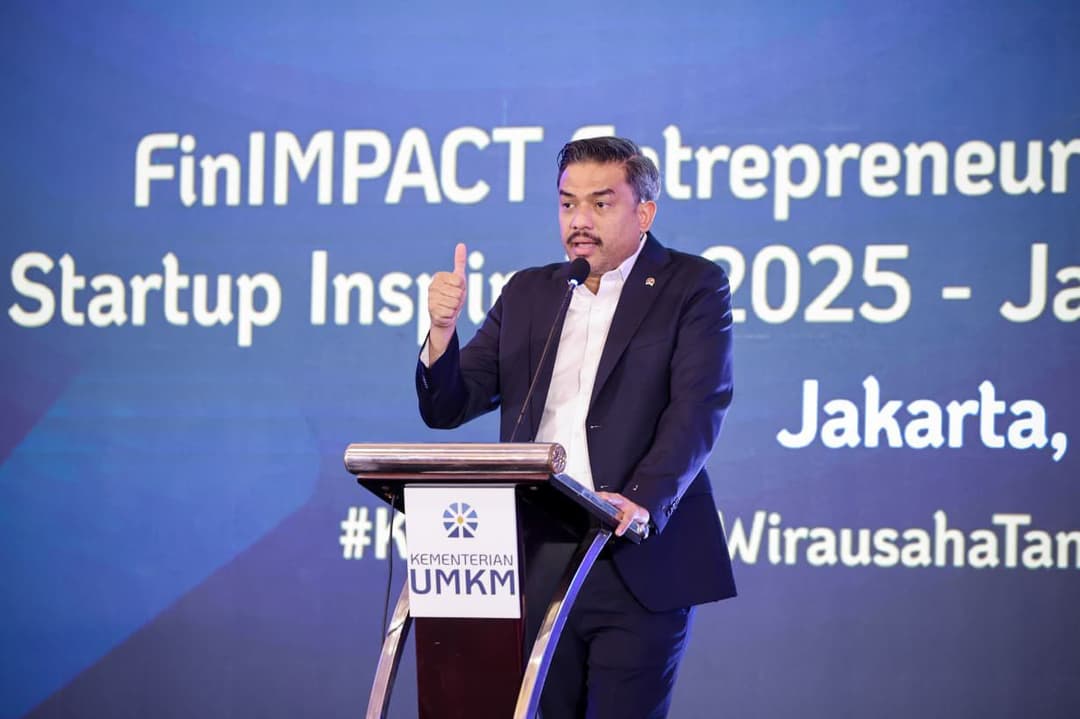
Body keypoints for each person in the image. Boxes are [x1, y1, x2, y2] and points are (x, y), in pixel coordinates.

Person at [416, 136, 736, 718]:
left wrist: (641, 501)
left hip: (633, 555)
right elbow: (448, 407)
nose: (579, 221)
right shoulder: (529, 291)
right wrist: (441, 333)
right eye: (567, 204)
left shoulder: (691, 285)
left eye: (600, 203)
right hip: (539, 557)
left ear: (644, 212)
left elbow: (698, 406)